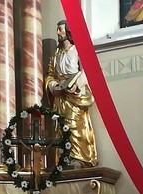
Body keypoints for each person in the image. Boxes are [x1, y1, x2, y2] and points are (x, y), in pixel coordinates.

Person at [45, 20, 98, 168]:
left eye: (61, 29)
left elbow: (87, 70)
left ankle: (79, 158)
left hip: (75, 94)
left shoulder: (77, 50)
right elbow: (50, 75)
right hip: (60, 96)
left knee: (75, 125)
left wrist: (76, 85)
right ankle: (64, 158)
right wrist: (53, 86)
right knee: (61, 127)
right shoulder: (55, 55)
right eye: (57, 30)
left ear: (68, 31)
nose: (58, 33)